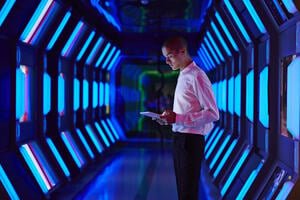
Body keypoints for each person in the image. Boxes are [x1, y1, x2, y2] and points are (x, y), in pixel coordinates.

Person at [154, 36, 219, 200]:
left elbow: (212, 113)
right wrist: (170, 118)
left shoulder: (197, 76)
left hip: (190, 141)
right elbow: (185, 110)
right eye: (165, 58)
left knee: (188, 193)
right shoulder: (183, 75)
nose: (167, 62)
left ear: (182, 51)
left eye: (170, 56)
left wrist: (178, 118)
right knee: (183, 192)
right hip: (180, 138)